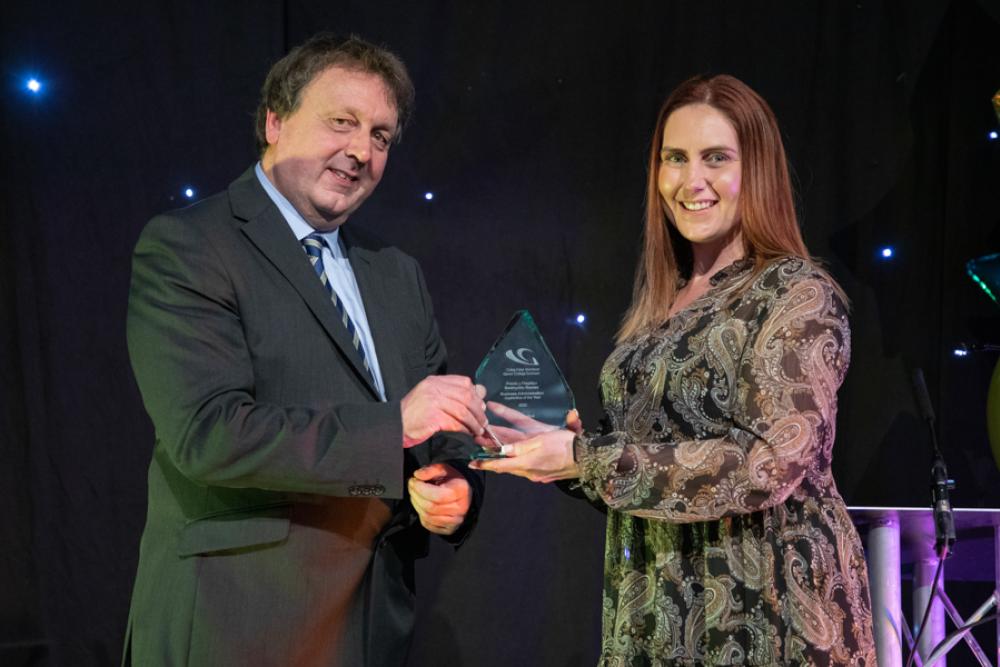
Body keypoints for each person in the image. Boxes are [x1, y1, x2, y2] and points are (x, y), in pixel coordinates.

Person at [473, 74, 877, 665]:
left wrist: (588, 459)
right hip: (658, 609)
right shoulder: (661, 305)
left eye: (716, 158)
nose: (691, 181)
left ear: (757, 169)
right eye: (675, 158)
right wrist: (563, 456)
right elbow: (651, 468)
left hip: (768, 613)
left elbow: (766, 465)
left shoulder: (796, 292)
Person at [124, 34, 487, 666]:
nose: (361, 150)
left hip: (372, 624)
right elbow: (209, 433)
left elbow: (440, 421)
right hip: (238, 625)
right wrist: (394, 429)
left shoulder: (396, 271)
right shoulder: (189, 246)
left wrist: (458, 484)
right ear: (275, 122)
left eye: (380, 135)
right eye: (341, 122)